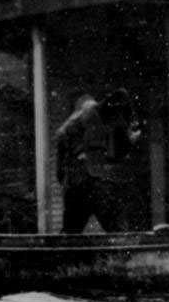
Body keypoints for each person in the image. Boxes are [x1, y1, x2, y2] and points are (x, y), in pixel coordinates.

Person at [55, 88, 143, 234]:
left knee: (70, 234)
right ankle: (125, 253)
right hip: (93, 184)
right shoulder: (92, 110)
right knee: (116, 230)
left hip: (74, 187)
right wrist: (130, 130)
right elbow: (121, 94)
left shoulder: (64, 130)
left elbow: (59, 173)